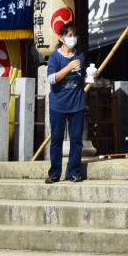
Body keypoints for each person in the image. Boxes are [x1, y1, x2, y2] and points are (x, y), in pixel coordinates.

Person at [44, 25, 87, 184]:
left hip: (77, 102)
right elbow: (51, 79)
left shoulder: (80, 55)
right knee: (56, 139)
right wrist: (68, 67)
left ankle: (74, 172)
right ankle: (54, 172)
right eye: (69, 35)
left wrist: (89, 78)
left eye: (75, 35)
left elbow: (81, 77)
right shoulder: (55, 57)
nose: (73, 38)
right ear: (61, 38)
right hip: (58, 104)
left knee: (76, 139)